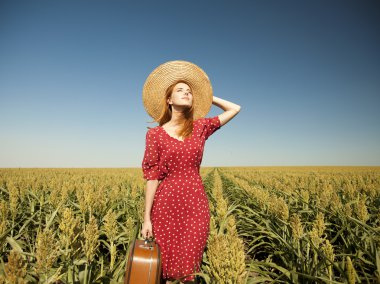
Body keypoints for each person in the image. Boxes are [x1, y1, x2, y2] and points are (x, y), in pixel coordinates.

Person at [141, 60, 240, 284]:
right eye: (180, 90)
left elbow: (235, 108)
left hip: (195, 204)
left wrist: (206, 96)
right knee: (164, 268)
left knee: (189, 270)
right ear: (169, 99)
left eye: (189, 91)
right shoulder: (154, 135)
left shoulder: (200, 128)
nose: (186, 93)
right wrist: (146, 218)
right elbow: (152, 176)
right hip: (165, 205)